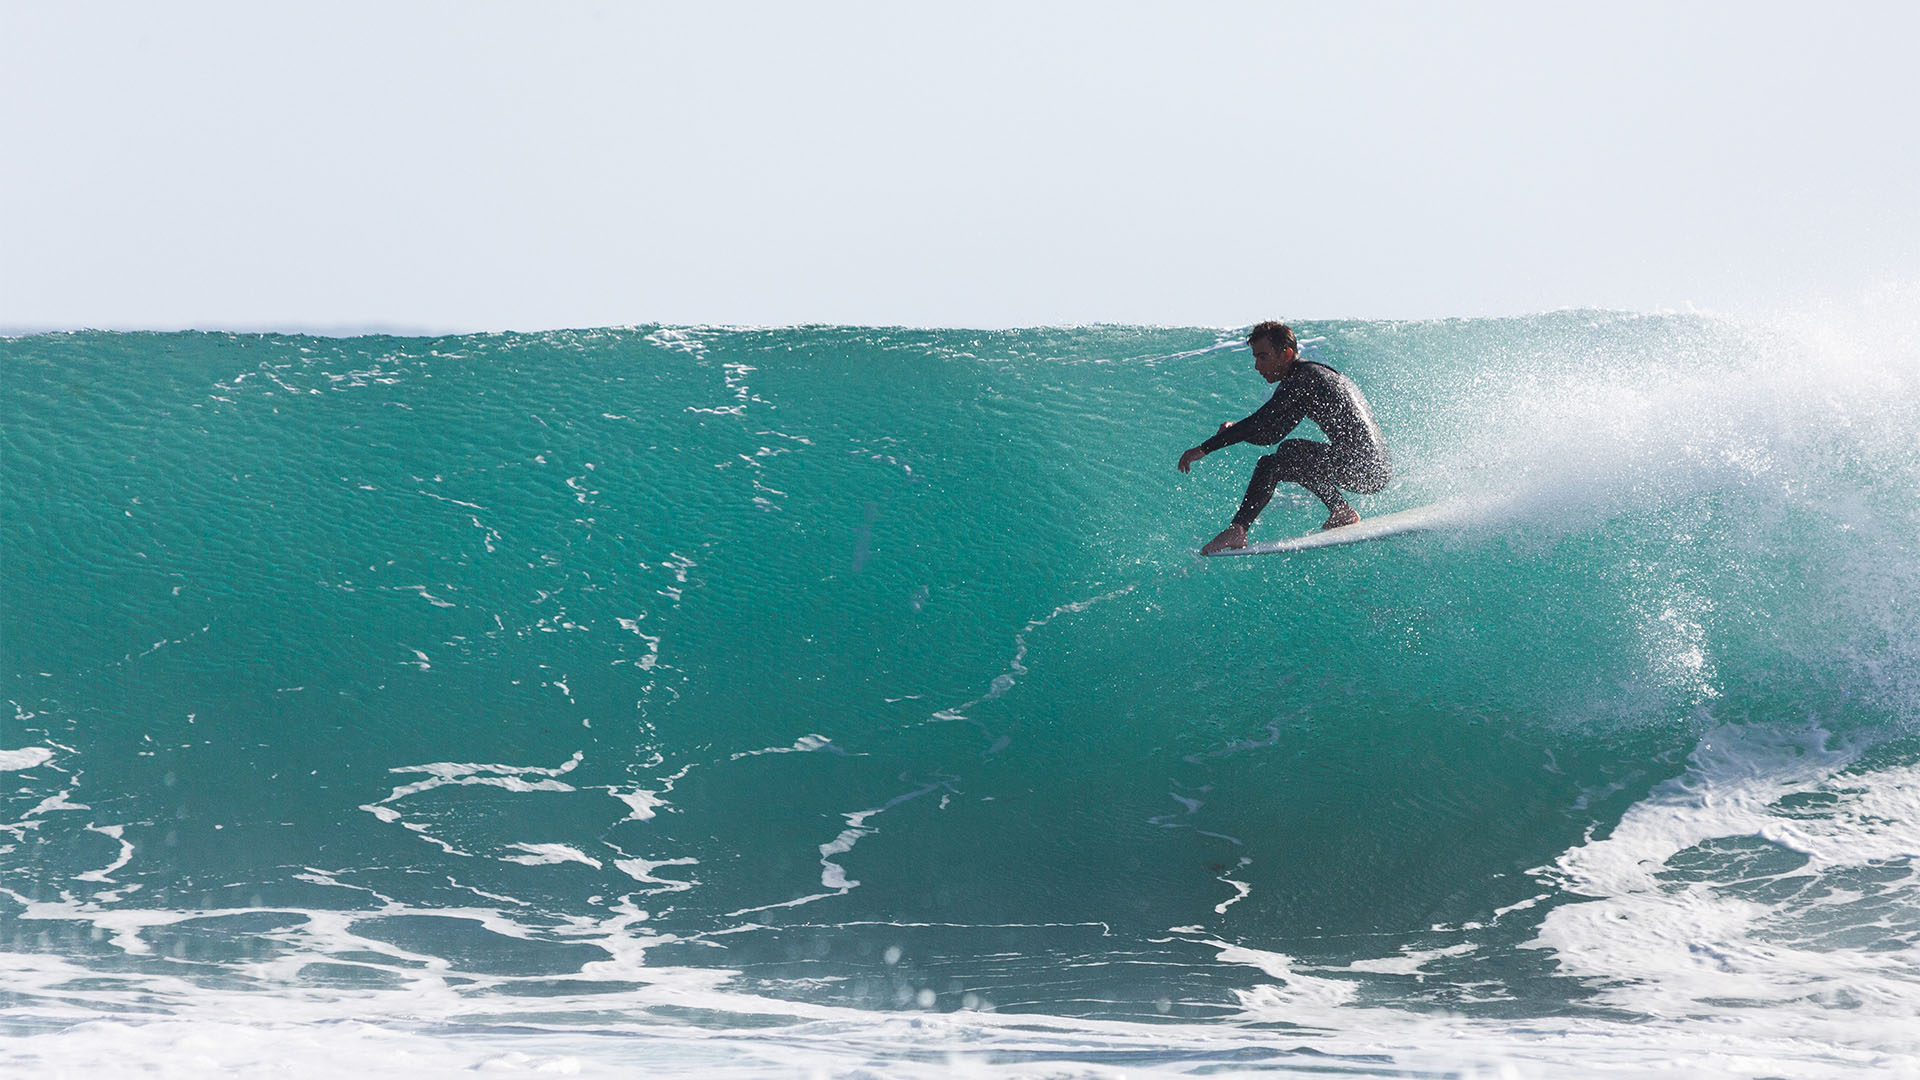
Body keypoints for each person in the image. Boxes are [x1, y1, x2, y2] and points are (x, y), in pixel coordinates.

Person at [1178, 322, 1390, 554]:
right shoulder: (1305, 379)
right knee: (1289, 450)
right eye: (1255, 358)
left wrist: (1204, 449)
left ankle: (1238, 530)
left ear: (1286, 354)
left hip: (1367, 468)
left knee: (1274, 461)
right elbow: (1272, 434)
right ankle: (1340, 510)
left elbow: (1260, 421)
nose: (1257, 366)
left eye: (1263, 357)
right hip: (1370, 468)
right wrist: (1235, 431)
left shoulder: (1304, 378)